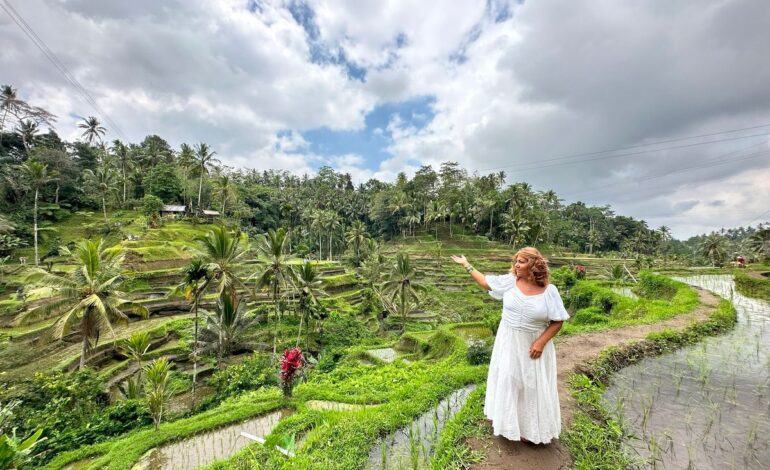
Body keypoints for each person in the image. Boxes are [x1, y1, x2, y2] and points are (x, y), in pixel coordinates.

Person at [451, 247, 569, 444]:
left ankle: (532, 431)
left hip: (534, 345)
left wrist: (541, 342)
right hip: (508, 341)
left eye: (521, 261)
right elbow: (485, 283)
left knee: (532, 386)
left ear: (534, 264)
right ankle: (508, 424)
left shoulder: (549, 291)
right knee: (510, 380)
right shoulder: (510, 282)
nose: (516, 265)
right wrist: (466, 264)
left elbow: (558, 321)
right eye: (516, 261)